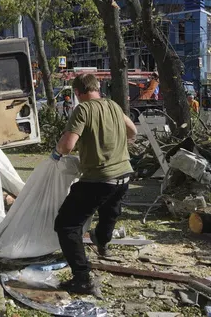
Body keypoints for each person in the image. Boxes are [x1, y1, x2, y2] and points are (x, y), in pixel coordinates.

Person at [52, 74, 137, 296]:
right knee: (109, 212)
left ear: (78, 93)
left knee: (67, 225)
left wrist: (56, 153)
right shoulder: (114, 106)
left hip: (99, 178)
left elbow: (68, 146)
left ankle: (82, 279)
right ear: (97, 88)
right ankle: (102, 244)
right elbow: (133, 132)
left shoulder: (83, 110)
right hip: (124, 175)